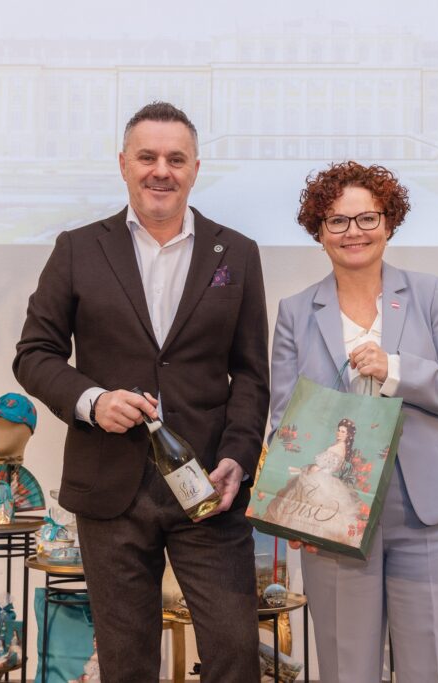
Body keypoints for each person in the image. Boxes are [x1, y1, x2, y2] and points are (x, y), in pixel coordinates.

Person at [14, 101, 268, 682]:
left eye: (176, 159)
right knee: (126, 663)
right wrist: (92, 402)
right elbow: (34, 353)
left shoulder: (238, 252)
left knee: (235, 652)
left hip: (209, 488)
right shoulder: (78, 248)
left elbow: (251, 373)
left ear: (196, 168)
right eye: (147, 157)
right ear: (123, 164)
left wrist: (238, 456)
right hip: (110, 486)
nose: (161, 171)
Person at [269, 161, 438, 682]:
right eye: (338, 221)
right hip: (335, 516)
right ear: (319, 231)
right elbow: (284, 424)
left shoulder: (430, 293)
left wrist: (396, 371)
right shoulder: (296, 311)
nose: (354, 232)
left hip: (430, 512)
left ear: (389, 223)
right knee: (347, 668)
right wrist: (293, 509)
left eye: (367, 218)